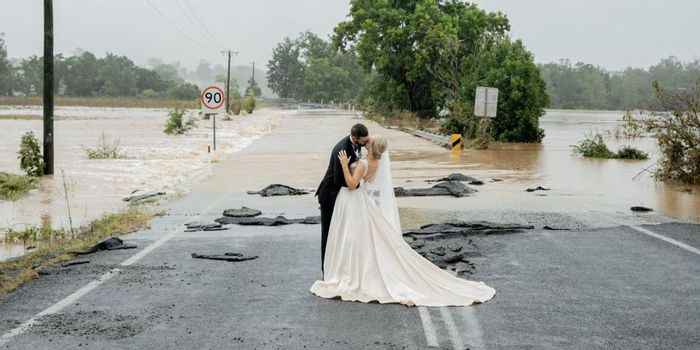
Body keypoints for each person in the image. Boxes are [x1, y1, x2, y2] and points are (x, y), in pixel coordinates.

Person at [310, 136, 496, 307]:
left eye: (369, 142)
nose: (366, 142)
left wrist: (344, 164)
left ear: (372, 147)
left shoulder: (363, 163)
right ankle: (357, 268)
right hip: (363, 202)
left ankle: (351, 271)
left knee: (354, 237)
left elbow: (352, 184)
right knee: (367, 238)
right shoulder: (377, 161)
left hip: (356, 200)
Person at [315, 123, 370, 275]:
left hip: (341, 195)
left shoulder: (357, 144)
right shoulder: (342, 149)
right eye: (364, 141)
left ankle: (339, 267)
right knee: (328, 233)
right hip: (329, 195)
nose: (366, 143)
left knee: (340, 233)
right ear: (354, 137)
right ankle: (326, 270)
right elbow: (339, 180)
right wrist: (357, 183)